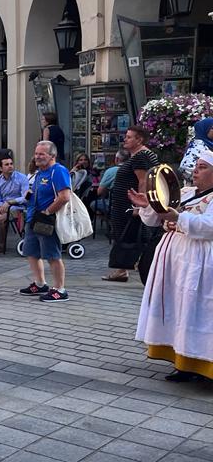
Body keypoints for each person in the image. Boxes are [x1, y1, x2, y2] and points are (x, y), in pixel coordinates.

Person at [130, 147, 213, 382]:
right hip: (175, 259)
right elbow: (155, 219)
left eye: (203, 167)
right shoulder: (184, 192)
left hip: (201, 260)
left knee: (200, 311)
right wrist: (147, 205)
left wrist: (178, 218)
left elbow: (209, 226)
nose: (195, 171)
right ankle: (183, 363)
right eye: (195, 166)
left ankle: (206, 367)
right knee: (179, 308)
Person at [18, 141, 73, 301]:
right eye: (36, 153)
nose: (37, 157)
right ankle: (40, 283)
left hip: (47, 220)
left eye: (42, 154)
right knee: (31, 252)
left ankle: (60, 289)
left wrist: (47, 212)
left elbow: (64, 197)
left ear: (52, 156)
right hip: (33, 218)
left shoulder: (58, 171)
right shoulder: (40, 172)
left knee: (52, 255)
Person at [105, 125, 159, 282]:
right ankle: (123, 268)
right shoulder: (138, 156)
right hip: (125, 203)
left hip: (131, 204)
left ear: (139, 139)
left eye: (129, 137)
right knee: (125, 234)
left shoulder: (141, 156)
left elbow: (143, 181)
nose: (125, 140)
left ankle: (128, 266)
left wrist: (138, 206)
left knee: (129, 235)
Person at [0, 156, 30, 254]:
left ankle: (1, 245)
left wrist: (10, 202)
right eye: (7, 164)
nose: (10, 166)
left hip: (17, 206)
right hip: (2, 204)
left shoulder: (21, 178)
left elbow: (25, 198)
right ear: (0, 168)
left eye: (11, 164)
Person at [180, 118, 213, 185]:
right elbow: (186, 169)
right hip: (199, 189)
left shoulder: (209, 144)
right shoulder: (198, 146)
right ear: (205, 129)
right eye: (212, 128)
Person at [95, 149, 128, 217]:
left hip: (114, 205)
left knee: (93, 204)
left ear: (117, 159)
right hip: (131, 205)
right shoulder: (134, 170)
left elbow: (99, 192)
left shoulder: (111, 171)